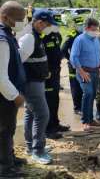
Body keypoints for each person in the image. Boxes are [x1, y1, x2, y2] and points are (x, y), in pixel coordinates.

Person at [20, 9, 57, 165]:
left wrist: (44, 72)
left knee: (31, 114)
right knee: (42, 115)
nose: (48, 27)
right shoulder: (29, 37)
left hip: (37, 81)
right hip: (31, 83)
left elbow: (35, 59)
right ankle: (38, 151)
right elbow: (18, 62)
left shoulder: (35, 35)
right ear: (39, 22)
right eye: (47, 24)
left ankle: (31, 147)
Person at [0, 1, 27, 178]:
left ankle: (9, 157)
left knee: (9, 129)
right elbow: (0, 76)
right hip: (4, 95)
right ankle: (5, 168)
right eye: (18, 19)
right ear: (4, 17)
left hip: (9, 94)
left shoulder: (9, 35)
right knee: (3, 131)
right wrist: (15, 95)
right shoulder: (2, 40)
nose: (21, 23)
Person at [70, 18, 100, 131]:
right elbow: (73, 57)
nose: (95, 31)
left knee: (93, 95)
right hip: (85, 72)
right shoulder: (80, 40)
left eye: (96, 29)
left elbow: (99, 54)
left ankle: (91, 119)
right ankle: (85, 121)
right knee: (88, 93)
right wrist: (81, 72)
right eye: (92, 29)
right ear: (86, 28)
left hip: (95, 71)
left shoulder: (96, 39)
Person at [42, 14, 70, 140]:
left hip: (56, 72)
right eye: (54, 24)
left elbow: (59, 51)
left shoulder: (57, 35)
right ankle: (48, 129)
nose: (56, 26)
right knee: (48, 101)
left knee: (55, 99)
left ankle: (55, 123)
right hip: (46, 74)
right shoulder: (42, 37)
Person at [61, 16, 85, 115]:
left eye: (82, 24)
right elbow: (63, 49)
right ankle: (77, 108)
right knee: (75, 86)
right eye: (79, 25)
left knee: (83, 86)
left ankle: (82, 106)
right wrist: (70, 59)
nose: (81, 26)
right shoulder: (72, 35)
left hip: (83, 64)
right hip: (74, 65)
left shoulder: (84, 34)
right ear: (75, 25)